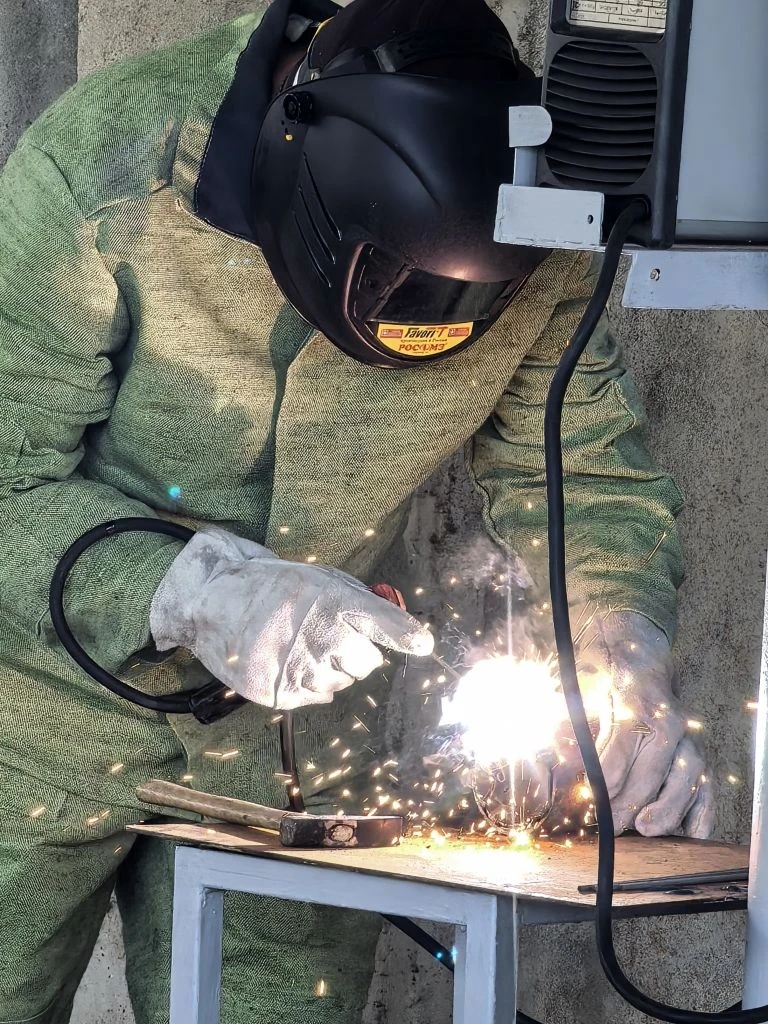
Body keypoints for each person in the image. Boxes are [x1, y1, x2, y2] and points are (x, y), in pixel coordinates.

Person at [0, 0, 712, 1021]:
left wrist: (622, 645)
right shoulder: (107, 170)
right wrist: (193, 590)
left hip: (297, 754)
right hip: (29, 719)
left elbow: (581, 476)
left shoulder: (545, 219)